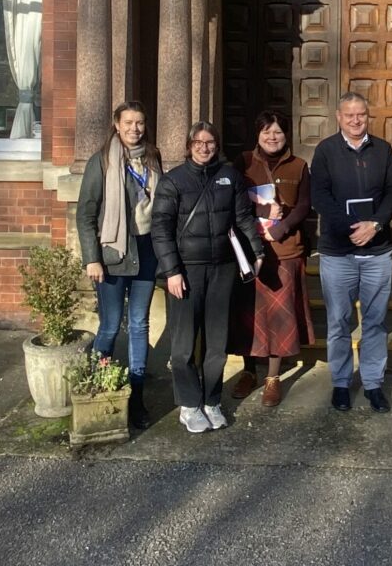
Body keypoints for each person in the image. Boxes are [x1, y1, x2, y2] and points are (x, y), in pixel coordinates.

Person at [151, 122, 264, 433]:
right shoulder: (173, 181)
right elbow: (160, 230)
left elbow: (243, 217)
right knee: (184, 344)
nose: (204, 147)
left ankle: (211, 400)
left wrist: (257, 252)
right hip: (186, 271)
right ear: (189, 146)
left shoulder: (230, 177)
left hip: (222, 269)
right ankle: (189, 404)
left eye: (210, 142)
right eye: (198, 142)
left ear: (217, 145)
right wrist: (172, 271)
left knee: (217, 342)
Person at [310, 92, 392, 413]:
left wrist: (375, 224)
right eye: (349, 115)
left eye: (360, 114)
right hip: (338, 253)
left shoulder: (382, 150)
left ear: (368, 115)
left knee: (375, 321)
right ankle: (340, 382)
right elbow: (319, 196)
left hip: (377, 252)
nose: (355, 120)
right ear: (338, 117)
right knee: (339, 321)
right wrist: (353, 227)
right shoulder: (325, 151)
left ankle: (374, 383)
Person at [76, 101, 163, 430]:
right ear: (116, 124)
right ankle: (99, 387)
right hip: (112, 253)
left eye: (139, 123)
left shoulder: (152, 159)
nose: (134, 129)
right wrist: (92, 259)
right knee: (111, 326)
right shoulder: (101, 163)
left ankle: (137, 397)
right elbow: (85, 215)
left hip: (146, 251)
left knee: (139, 324)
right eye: (128, 122)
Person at [230, 111, 315, 407]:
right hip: (250, 252)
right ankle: (249, 371)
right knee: (248, 316)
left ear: (286, 135)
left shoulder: (300, 166)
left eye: (277, 132)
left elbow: (304, 205)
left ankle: (273, 378)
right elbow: (232, 201)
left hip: (285, 250)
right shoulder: (242, 163)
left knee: (280, 318)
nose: (272, 137)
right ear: (258, 134)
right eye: (267, 132)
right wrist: (263, 214)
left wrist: (283, 227)